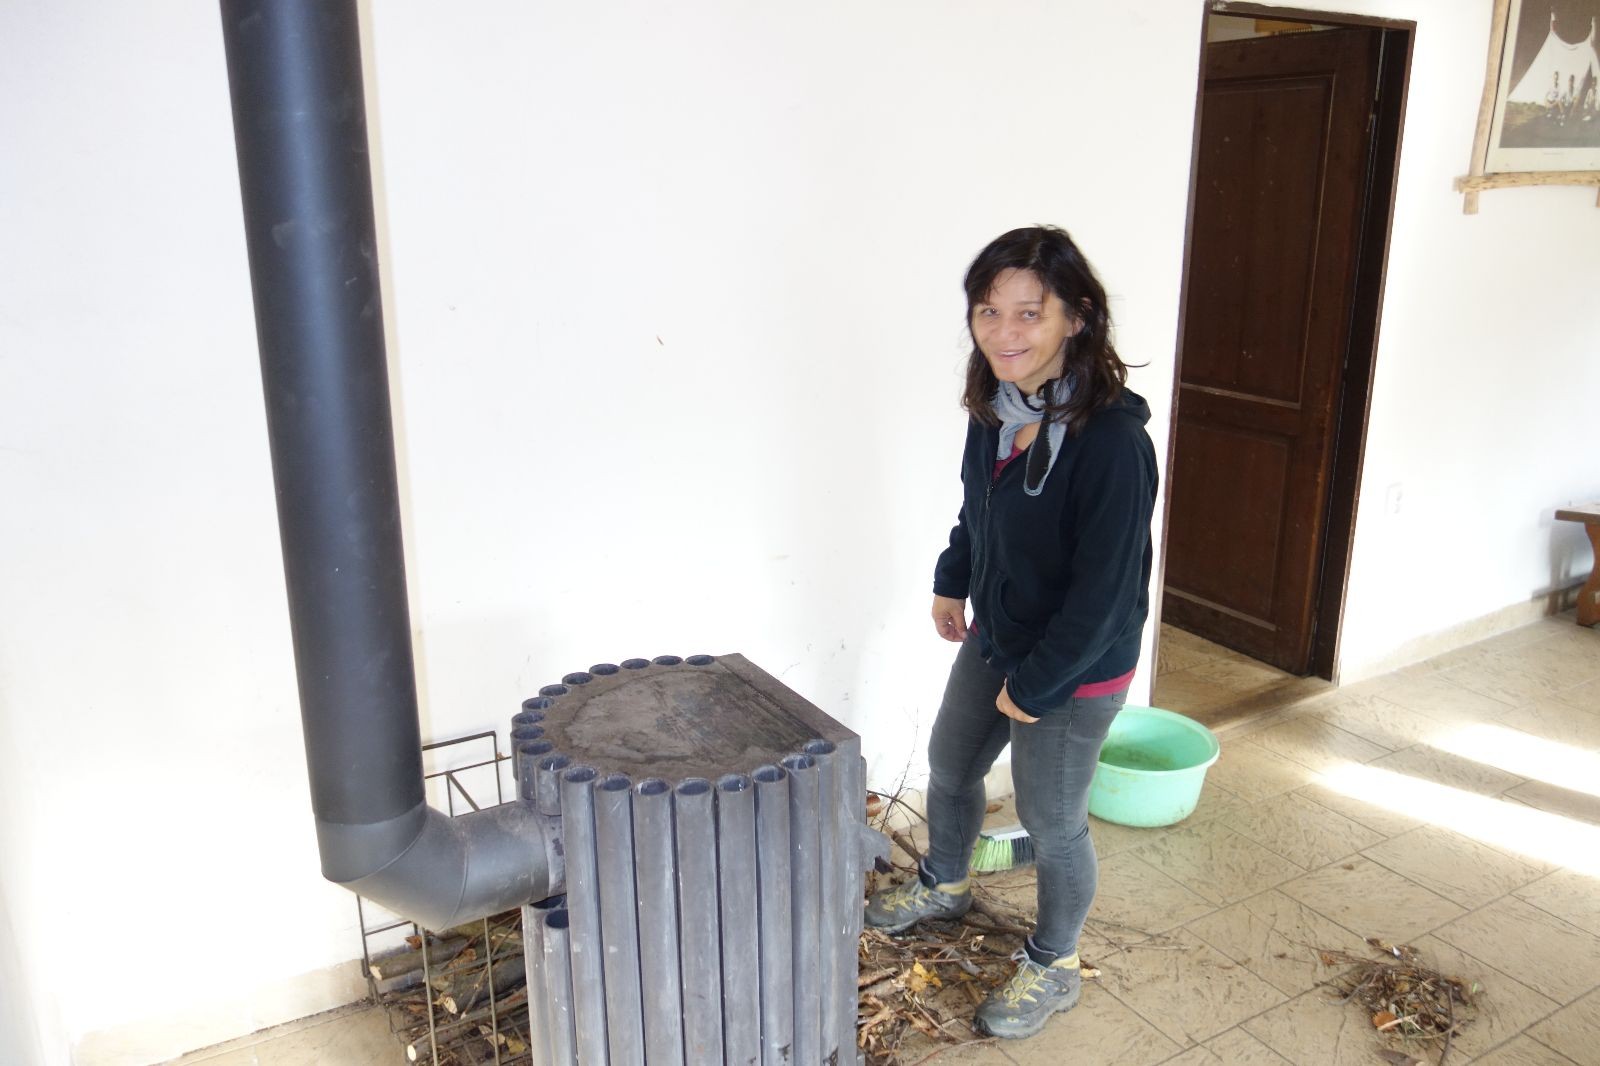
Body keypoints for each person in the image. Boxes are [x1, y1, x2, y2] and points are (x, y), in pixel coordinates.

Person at [864, 225, 1158, 1040]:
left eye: (1030, 312)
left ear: (1077, 317)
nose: (1004, 332)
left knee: (1052, 818)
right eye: (989, 311)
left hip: (1076, 664)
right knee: (952, 764)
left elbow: (1106, 594)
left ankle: (1055, 963)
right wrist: (953, 577)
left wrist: (1036, 686)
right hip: (1002, 633)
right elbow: (979, 509)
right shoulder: (998, 408)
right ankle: (946, 882)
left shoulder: (1112, 445)